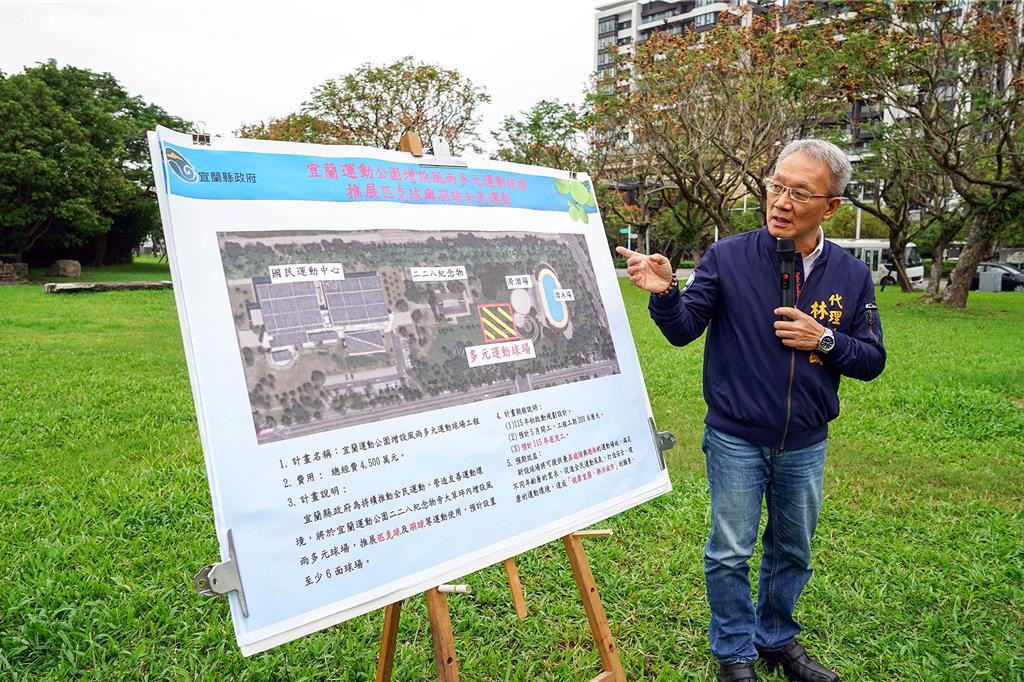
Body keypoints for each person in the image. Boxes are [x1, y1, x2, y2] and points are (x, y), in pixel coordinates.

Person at [617, 139, 885, 682]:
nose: (781, 202)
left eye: (800, 193)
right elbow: (684, 329)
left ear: (830, 206)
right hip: (736, 436)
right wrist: (666, 293)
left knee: (792, 548)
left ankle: (777, 638)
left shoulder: (851, 275)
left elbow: (871, 358)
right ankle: (735, 654)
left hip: (806, 442)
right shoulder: (728, 257)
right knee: (730, 550)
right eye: (776, 186)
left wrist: (824, 339)